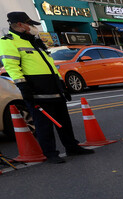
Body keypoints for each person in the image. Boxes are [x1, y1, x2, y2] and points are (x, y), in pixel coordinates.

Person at [0, 11, 93, 163]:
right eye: (29, 24)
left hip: (53, 86)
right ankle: (51, 153)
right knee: (43, 125)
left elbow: (49, 64)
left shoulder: (34, 40)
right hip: (36, 89)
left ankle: (72, 147)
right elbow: (12, 66)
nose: (32, 27)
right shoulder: (8, 42)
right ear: (19, 24)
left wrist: (61, 83)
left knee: (64, 121)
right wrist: (23, 87)